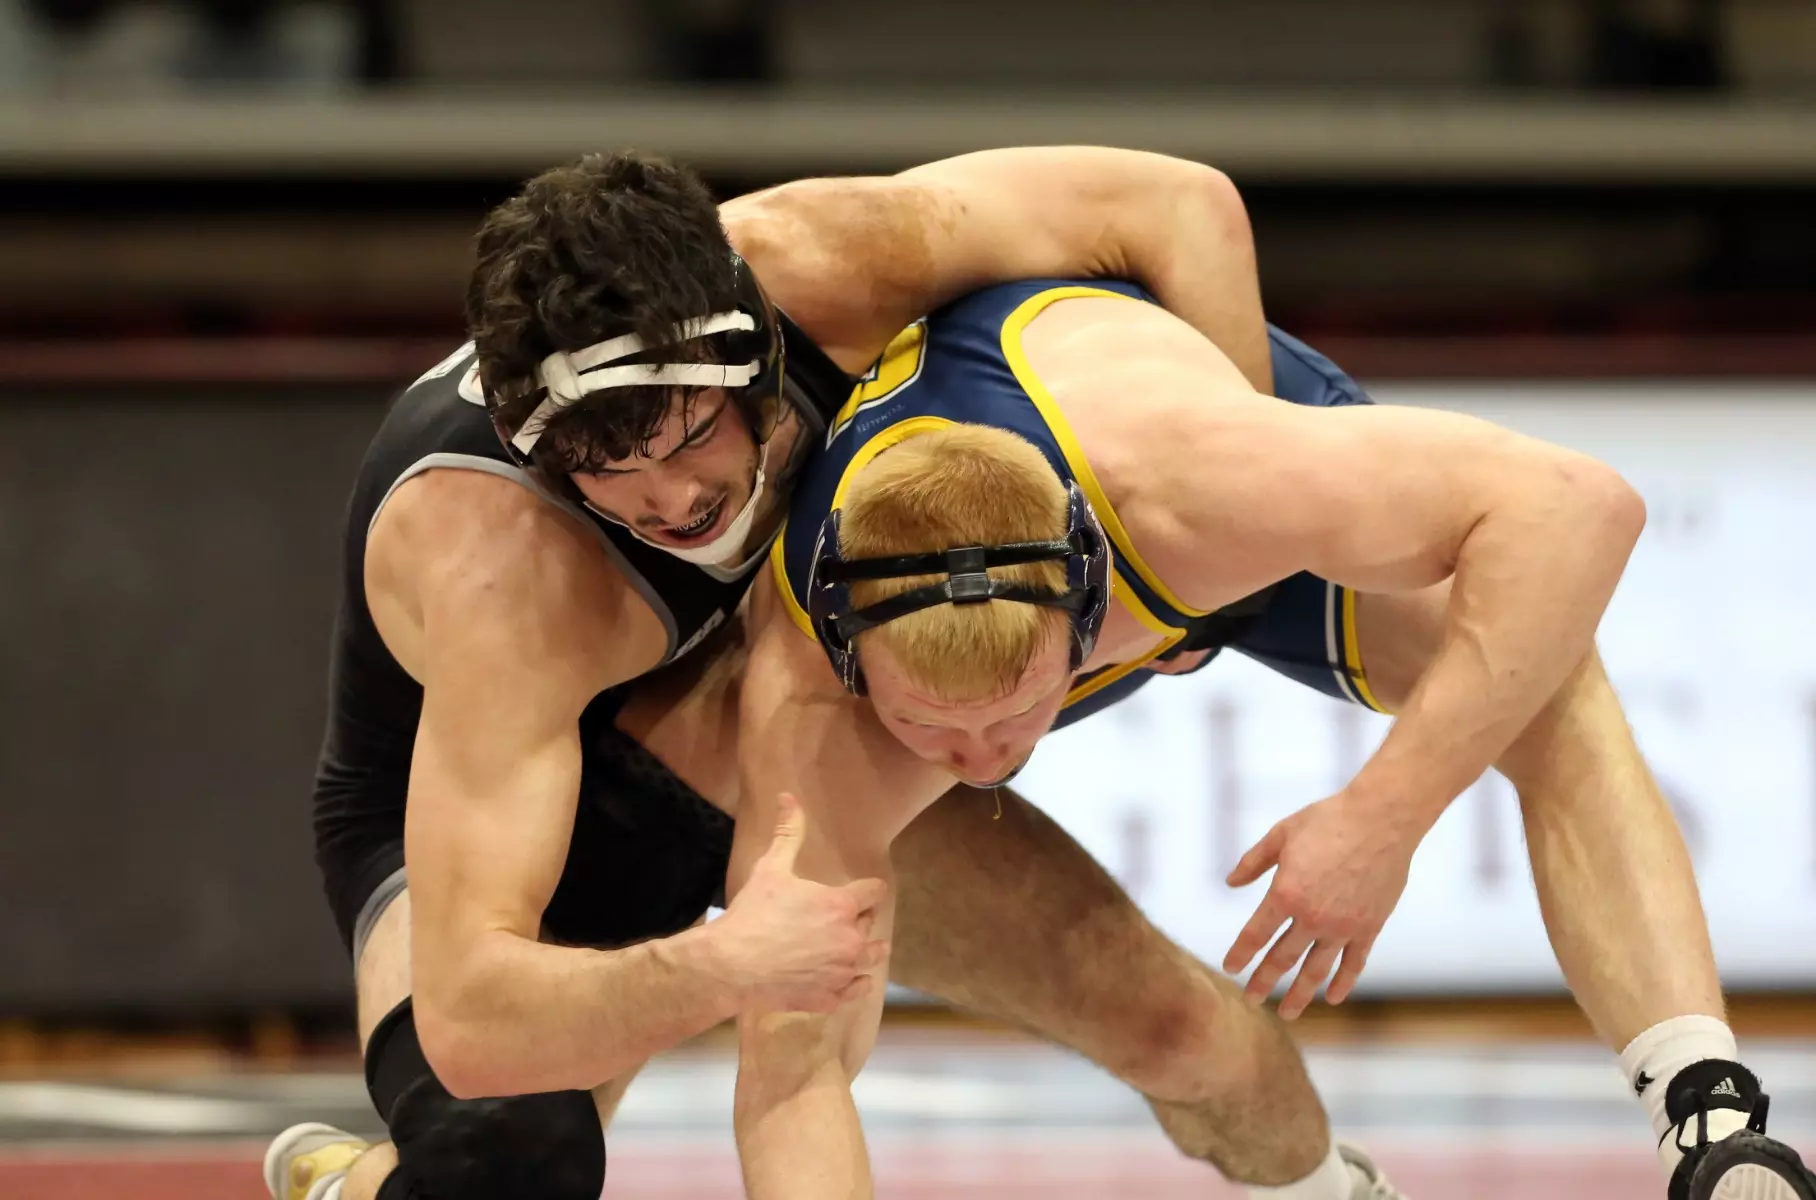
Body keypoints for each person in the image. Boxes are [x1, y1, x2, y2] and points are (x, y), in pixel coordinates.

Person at [266, 145, 1354, 1200]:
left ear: (755, 357)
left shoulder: (822, 258)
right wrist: (727, 964)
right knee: (506, 1165)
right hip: (541, 814)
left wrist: (1242, 560)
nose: (668, 500)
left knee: (1183, 1033)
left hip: (798, 730)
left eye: (691, 435)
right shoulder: (507, 579)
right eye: (608, 471)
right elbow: (471, 1022)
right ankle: (360, 1185)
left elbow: (1178, 205)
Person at [742, 276, 1816, 1200]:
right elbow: (793, 1068)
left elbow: (1580, 508)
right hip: (1052, 576)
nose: (981, 760)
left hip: (1190, 489)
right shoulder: (808, 695)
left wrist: (1381, 817)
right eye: (931, 726)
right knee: (1174, 1035)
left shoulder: (1198, 483)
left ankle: (1708, 1113)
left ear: (1095, 626)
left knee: (1547, 685)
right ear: (851, 663)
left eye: (1022, 712)